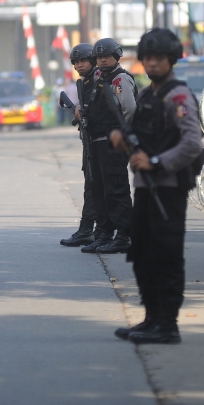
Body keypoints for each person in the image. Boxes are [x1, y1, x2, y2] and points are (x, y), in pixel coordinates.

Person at [110, 28, 204, 344]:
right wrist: (122, 142)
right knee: (142, 254)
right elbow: (141, 141)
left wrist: (157, 163)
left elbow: (192, 143)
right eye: (148, 58)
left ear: (171, 60)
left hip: (168, 187)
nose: (152, 64)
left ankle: (167, 324)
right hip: (145, 189)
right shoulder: (148, 94)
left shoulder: (178, 96)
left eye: (159, 59)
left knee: (166, 255)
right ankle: (151, 319)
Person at [80, 38, 137, 255]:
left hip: (113, 144)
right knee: (99, 191)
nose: (102, 60)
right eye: (99, 57)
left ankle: (123, 236)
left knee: (116, 191)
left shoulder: (119, 80)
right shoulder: (97, 79)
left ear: (116, 56)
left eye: (106, 56)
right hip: (96, 143)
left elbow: (130, 111)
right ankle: (103, 234)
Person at [60, 44, 98, 248]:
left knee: (103, 189)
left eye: (83, 60)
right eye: (75, 62)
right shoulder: (85, 83)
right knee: (90, 186)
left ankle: (108, 233)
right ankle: (88, 230)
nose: (79, 65)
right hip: (90, 140)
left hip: (104, 141)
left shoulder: (101, 80)